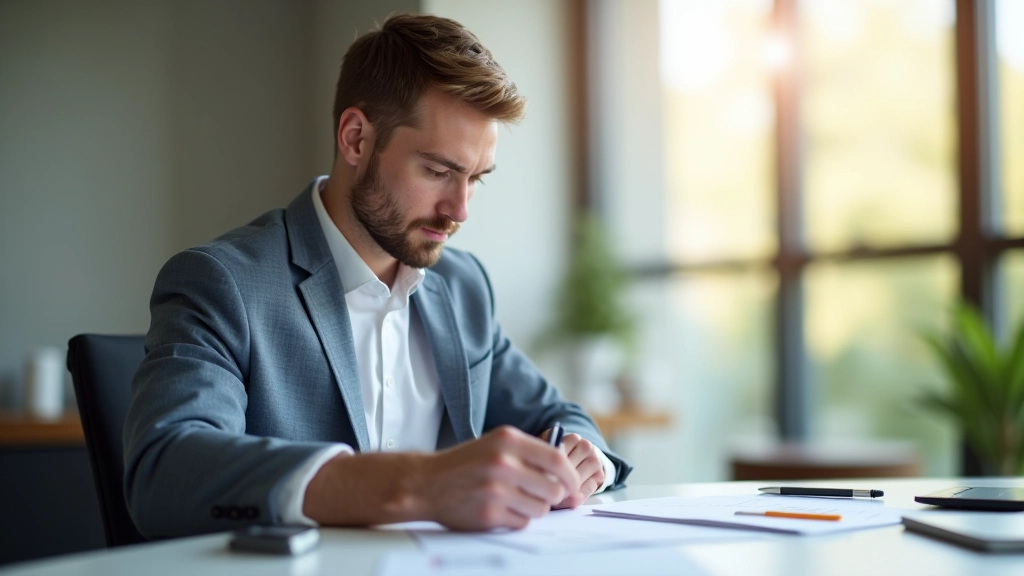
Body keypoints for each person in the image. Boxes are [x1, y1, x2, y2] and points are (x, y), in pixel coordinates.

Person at [123, 13, 631, 538]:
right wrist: (418, 484)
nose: (459, 210)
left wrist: (584, 459)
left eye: (476, 178)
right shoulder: (221, 283)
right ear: (356, 139)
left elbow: (559, 418)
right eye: (438, 171)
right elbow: (166, 469)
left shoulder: (463, 287)